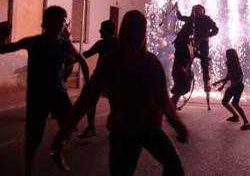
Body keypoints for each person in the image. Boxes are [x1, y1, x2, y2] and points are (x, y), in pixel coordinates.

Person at [50, 10, 188, 176]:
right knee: (173, 166)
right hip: (136, 129)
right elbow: (163, 100)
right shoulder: (144, 62)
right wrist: (177, 124)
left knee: (172, 167)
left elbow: (86, 99)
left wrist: (62, 136)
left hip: (131, 129)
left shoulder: (117, 61)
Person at [0, 6, 90, 176]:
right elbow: (4, 49)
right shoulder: (34, 42)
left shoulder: (65, 43)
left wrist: (88, 82)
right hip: (38, 96)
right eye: (60, 22)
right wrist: (1, 37)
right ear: (48, 23)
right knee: (33, 137)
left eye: (63, 22)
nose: (63, 26)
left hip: (58, 94)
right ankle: (29, 169)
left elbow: (82, 60)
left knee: (70, 125)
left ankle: (57, 151)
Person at [79, 20, 118, 139]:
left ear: (107, 31)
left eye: (102, 29)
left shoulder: (109, 44)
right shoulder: (113, 43)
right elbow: (87, 54)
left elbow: (87, 54)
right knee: (112, 104)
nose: (100, 31)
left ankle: (95, 128)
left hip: (106, 78)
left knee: (97, 102)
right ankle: (96, 128)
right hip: (107, 78)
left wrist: (73, 59)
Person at [176, 4, 218, 109]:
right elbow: (181, 18)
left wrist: (208, 35)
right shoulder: (192, 19)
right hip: (194, 43)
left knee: (204, 62)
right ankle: (185, 74)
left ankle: (206, 80)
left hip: (203, 43)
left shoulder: (207, 19)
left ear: (203, 11)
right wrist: (177, 8)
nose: (198, 12)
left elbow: (216, 29)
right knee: (189, 58)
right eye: (196, 10)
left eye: (199, 10)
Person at [212, 49, 250, 131]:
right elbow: (228, 75)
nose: (226, 56)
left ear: (232, 55)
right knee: (224, 102)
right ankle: (235, 116)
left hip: (238, 86)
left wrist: (218, 82)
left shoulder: (235, 64)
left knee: (235, 104)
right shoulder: (230, 63)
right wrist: (222, 86)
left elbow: (231, 76)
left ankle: (246, 122)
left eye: (228, 54)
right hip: (234, 86)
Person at [170, 21, 194, 107]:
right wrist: (183, 67)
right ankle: (170, 107)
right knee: (181, 88)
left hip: (184, 69)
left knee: (182, 89)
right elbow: (180, 55)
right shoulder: (181, 42)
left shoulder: (188, 42)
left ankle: (171, 106)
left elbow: (191, 53)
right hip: (180, 69)